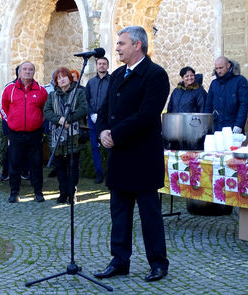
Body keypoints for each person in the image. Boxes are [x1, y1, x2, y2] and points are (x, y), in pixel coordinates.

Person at [95, 26, 170, 282]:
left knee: (150, 214)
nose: (117, 47)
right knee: (119, 213)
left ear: (137, 45)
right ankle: (120, 261)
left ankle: (158, 263)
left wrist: (115, 134)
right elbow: (104, 108)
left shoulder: (155, 75)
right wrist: (103, 130)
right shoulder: (116, 75)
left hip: (142, 157)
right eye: (117, 43)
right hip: (118, 157)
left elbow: (147, 115)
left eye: (121, 43)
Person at [0, 61, 48, 203]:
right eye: (25, 69)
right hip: (16, 133)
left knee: (36, 164)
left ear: (34, 72)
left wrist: (39, 122)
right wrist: (11, 121)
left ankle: (38, 192)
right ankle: (14, 192)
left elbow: (45, 109)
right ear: (19, 72)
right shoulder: (10, 89)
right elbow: (3, 107)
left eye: (31, 69)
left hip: (34, 134)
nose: (28, 72)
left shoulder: (41, 90)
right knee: (14, 164)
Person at [43, 67, 87, 203]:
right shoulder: (52, 95)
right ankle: (62, 192)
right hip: (57, 137)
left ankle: (72, 193)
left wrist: (68, 119)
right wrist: (60, 120)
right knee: (60, 167)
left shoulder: (78, 92)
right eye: (58, 78)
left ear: (70, 78)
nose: (61, 80)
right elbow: (47, 110)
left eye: (64, 77)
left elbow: (83, 108)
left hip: (74, 136)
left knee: (72, 167)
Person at [203, 56, 248, 132]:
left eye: (221, 68)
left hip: (233, 126)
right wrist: (205, 124)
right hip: (216, 126)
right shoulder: (214, 83)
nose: (218, 71)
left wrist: (239, 125)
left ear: (228, 66)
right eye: (216, 68)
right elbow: (208, 106)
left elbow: (244, 105)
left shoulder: (240, 81)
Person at [85, 56, 110, 184]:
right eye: (99, 63)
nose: (101, 66)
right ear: (97, 66)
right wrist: (91, 114)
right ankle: (99, 173)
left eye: (104, 64)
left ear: (107, 66)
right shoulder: (90, 83)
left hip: (106, 119)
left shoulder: (112, 81)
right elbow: (86, 100)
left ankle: (110, 174)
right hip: (93, 119)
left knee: (109, 146)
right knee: (95, 147)